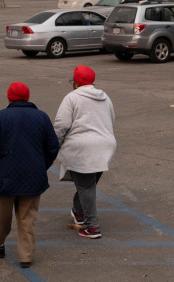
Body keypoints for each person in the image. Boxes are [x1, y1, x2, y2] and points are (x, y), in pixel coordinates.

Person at [0, 82, 59, 268]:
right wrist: (42, 166)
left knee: (2, 215)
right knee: (27, 218)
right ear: (27, 97)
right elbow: (52, 147)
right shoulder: (42, 117)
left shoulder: (0, 117)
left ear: (9, 97)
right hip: (33, 177)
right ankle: (26, 256)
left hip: (5, 177)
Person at [53, 65, 116, 239]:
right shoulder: (104, 97)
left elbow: (61, 125)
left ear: (75, 83)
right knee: (87, 185)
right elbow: (111, 119)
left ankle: (92, 226)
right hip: (105, 146)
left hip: (82, 148)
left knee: (85, 186)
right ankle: (79, 212)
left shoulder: (72, 98)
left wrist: (53, 146)